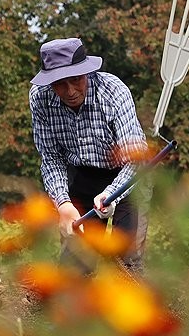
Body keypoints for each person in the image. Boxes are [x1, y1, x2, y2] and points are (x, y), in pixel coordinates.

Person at [28, 37, 149, 271]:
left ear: (87, 72)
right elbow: (51, 158)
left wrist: (112, 193)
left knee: (126, 260)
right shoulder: (39, 98)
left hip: (129, 176)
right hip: (83, 175)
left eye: (76, 80)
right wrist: (63, 204)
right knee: (75, 262)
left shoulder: (113, 92)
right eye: (60, 84)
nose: (70, 91)